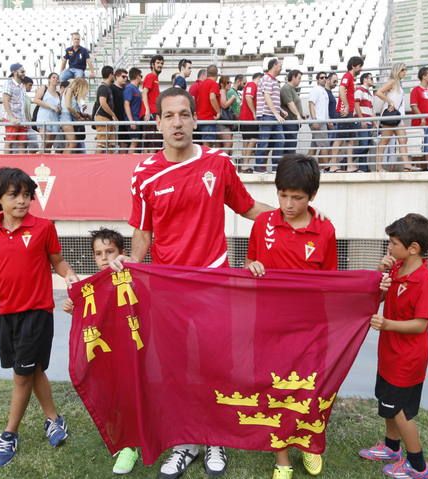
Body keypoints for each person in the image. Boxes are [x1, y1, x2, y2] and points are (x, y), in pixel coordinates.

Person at [110, 87, 274, 479]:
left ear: (196, 120)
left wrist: (292, 216)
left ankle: (215, 437)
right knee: (178, 368)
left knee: (214, 364)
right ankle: (186, 443)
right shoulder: (144, 174)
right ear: (158, 123)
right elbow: (143, 234)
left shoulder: (217, 163)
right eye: (169, 116)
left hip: (214, 281)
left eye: (184, 114)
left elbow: (249, 208)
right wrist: (130, 263)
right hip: (169, 290)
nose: (178, 123)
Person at [0, 167, 78, 468]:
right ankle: (54, 419)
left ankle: (9, 434)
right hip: (7, 316)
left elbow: (58, 261)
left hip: (38, 313)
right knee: (34, 369)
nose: (22, 201)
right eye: (14, 195)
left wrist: (71, 279)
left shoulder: (43, 227)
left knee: (21, 376)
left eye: (27, 195)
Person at [245, 154, 337, 479]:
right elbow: (251, 263)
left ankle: (310, 444)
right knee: (274, 391)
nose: (287, 203)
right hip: (269, 326)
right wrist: (251, 267)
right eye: (282, 195)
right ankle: (281, 459)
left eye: (296, 197)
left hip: (310, 328)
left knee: (311, 390)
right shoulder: (263, 224)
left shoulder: (325, 230)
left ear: (311, 196)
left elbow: (330, 283)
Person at [359, 213, 428, 479]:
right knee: (388, 403)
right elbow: (379, 296)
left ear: (413, 248)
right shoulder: (396, 269)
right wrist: (381, 272)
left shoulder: (424, 281)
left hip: (408, 359)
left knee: (402, 412)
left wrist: (387, 324)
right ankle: (392, 449)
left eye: (393, 243)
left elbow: (420, 324)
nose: (389, 248)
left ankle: (418, 466)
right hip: (390, 354)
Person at [61, 228, 140, 473]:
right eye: (99, 253)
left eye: (110, 251)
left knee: (137, 394)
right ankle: (128, 445)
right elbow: (89, 317)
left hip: (135, 351)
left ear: (122, 252)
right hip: (107, 355)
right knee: (113, 394)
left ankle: (139, 440)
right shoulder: (90, 288)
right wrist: (73, 306)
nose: (105, 258)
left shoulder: (134, 277)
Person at [375, 63, 415, 172]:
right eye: (403, 70)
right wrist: (390, 102)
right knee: (385, 141)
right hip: (391, 115)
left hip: (398, 116)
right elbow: (378, 92)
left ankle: (407, 165)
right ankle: (378, 167)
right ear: (397, 71)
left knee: (402, 139)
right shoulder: (392, 82)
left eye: (405, 70)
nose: (405, 72)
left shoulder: (398, 83)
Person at [332, 56, 364, 172]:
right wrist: (346, 106)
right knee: (339, 139)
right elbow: (341, 89)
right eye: (360, 66)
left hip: (348, 112)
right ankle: (333, 165)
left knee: (350, 139)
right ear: (353, 66)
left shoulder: (350, 77)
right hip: (344, 112)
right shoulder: (347, 76)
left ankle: (350, 165)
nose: (361, 69)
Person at [255, 58, 286, 172]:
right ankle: (258, 167)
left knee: (280, 140)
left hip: (273, 115)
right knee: (264, 141)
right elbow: (267, 96)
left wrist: (280, 111)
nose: (281, 68)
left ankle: (275, 167)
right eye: (280, 65)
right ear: (274, 65)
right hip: (267, 115)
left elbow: (271, 98)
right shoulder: (267, 79)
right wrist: (276, 113)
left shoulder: (273, 80)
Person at [410, 67, 428, 170]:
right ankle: (415, 167)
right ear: (424, 76)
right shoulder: (415, 90)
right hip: (419, 123)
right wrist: (422, 118)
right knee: (418, 146)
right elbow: (414, 106)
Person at [33, 73, 62, 153]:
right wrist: (51, 106)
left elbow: (59, 107)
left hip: (55, 120)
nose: (56, 79)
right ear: (49, 79)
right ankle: (39, 159)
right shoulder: (44, 88)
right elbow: (36, 100)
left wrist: (58, 109)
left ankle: (46, 161)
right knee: (46, 140)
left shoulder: (58, 94)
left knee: (49, 144)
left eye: (57, 78)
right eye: (53, 77)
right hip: (44, 118)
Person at [239, 72, 262, 172]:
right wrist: (254, 113)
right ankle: (245, 164)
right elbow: (249, 97)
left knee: (247, 141)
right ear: (259, 78)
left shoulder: (248, 85)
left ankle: (245, 164)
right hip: (249, 118)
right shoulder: (252, 85)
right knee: (253, 139)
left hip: (245, 118)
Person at [60, 78, 89, 154]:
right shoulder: (69, 90)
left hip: (68, 117)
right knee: (73, 143)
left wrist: (82, 115)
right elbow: (68, 106)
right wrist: (78, 117)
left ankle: (64, 162)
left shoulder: (71, 92)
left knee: (69, 144)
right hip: (66, 117)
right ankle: (62, 162)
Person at [3, 63, 28, 154]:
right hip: (12, 117)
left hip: (21, 119)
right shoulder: (8, 83)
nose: (24, 73)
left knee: (22, 142)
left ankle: (21, 164)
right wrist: (11, 117)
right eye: (22, 71)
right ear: (14, 72)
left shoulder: (22, 85)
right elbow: (5, 101)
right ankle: (6, 164)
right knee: (9, 142)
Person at [92, 66, 117, 154]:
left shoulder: (106, 87)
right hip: (103, 117)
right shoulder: (103, 88)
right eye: (113, 74)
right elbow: (103, 103)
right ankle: (95, 164)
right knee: (102, 143)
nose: (114, 76)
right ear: (110, 75)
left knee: (110, 144)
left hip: (106, 118)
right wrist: (113, 115)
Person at [194, 64, 221, 147]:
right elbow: (212, 97)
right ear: (217, 74)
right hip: (209, 118)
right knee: (208, 144)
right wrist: (218, 112)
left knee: (206, 143)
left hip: (200, 118)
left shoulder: (201, 84)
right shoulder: (214, 84)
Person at [308, 71, 331, 168]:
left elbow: (323, 108)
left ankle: (307, 166)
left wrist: (328, 120)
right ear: (317, 80)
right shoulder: (316, 89)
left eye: (325, 77)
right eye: (321, 77)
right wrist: (314, 120)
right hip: (318, 121)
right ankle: (326, 167)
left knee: (314, 146)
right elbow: (311, 103)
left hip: (322, 121)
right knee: (324, 145)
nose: (324, 79)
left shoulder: (324, 91)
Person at [142, 55, 164, 152]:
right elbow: (144, 92)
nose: (160, 65)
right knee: (153, 141)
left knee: (155, 140)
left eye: (162, 63)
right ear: (152, 64)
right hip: (151, 113)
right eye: (158, 63)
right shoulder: (150, 76)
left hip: (154, 113)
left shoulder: (155, 78)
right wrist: (147, 110)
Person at [280, 69, 304, 156]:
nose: (300, 80)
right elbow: (290, 103)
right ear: (293, 77)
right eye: (299, 78)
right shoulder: (286, 88)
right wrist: (298, 115)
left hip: (292, 123)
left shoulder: (292, 89)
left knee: (291, 146)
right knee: (289, 147)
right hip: (289, 123)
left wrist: (301, 115)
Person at [354, 72, 375, 172]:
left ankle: (363, 167)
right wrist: (361, 119)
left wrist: (374, 123)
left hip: (369, 122)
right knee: (364, 145)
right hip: (362, 121)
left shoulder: (369, 93)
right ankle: (345, 160)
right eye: (371, 78)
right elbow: (356, 104)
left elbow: (371, 109)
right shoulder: (359, 90)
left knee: (367, 144)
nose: (373, 80)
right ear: (365, 79)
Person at [124, 67, 144, 154]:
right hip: (133, 119)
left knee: (136, 142)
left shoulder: (137, 89)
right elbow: (126, 104)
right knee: (134, 141)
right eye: (141, 76)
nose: (141, 78)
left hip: (137, 118)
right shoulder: (129, 88)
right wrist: (131, 121)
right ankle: (129, 161)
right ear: (137, 76)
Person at [217, 74, 236, 153]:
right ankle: (223, 162)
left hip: (222, 122)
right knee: (228, 143)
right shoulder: (222, 91)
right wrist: (232, 98)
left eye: (230, 82)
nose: (230, 84)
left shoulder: (223, 91)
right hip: (223, 123)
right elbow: (224, 105)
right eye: (227, 82)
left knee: (221, 145)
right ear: (222, 84)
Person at [112, 68, 129, 152]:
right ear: (116, 77)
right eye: (123, 77)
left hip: (124, 120)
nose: (125, 79)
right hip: (115, 120)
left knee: (124, 144)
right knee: (112, 144)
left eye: (126, 77)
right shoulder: (111, 88)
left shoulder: (126, 89)